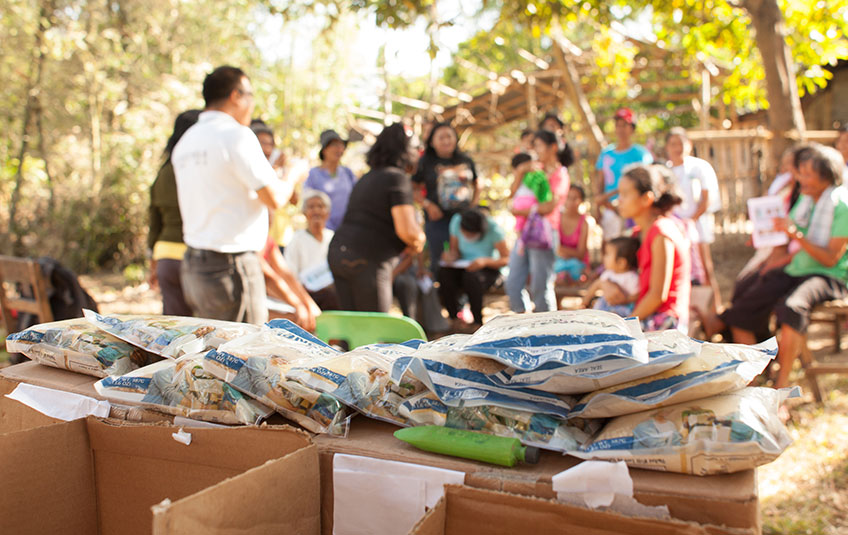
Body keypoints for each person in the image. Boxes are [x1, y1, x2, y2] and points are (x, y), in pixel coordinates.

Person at [706, 145, 848, 388]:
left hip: (828, 277)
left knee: (792, 308)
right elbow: (794, 244)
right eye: (799, 173)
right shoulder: (806, 201)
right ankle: (751, 379)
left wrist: (796, 236)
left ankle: (781, 388)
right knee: (743, 307)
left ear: (825, 177)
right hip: (798, 269)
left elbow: (830, 259)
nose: (799, 178)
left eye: (806, 174)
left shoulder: (841, 206)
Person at [172, 66, 283, 324]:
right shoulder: (236, 136)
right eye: (251, 95)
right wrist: (293, 176)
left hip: (194, 264)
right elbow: (274, 198)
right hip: (231, 266)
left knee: (213, 348)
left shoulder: (186, 141)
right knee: (246, 351)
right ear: (236, 96)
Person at [328, 123, 426, 312]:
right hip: (367, 259)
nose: (419, 152)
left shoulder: (367, 178)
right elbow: (408, 231)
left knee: (352, 330)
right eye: (416, 147)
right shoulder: (397, 178)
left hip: (339, 254)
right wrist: (419, 240)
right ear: (405, 150)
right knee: (373, 330)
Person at [604, 165, 691, 332]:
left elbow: (657, 295)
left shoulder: (662, 234)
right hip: (643, 314)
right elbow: (610, 268)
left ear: (646, 199)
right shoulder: (638, 233)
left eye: (625, 194)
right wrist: (605, 282)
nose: (618, 201)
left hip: (664, 323)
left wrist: (625, 326)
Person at [505, 130, 570, 313]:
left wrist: (520, 211)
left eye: (540, 145)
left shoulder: (560, 174)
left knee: (540, 286)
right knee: (513, 283)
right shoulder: (533, 170)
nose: (536, 149)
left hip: (544, 234)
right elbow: (512, 193)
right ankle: (522, 322)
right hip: (524, 233)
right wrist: (519, 172)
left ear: (553, 147)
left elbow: (549, 206)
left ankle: (549, 329)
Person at [148, 109, 200, 316]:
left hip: (166, 258)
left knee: (176, 326)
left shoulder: (163, 172)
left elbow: (154, 223)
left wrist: (153, 262)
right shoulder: (197, 169)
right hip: (197, 255)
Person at [665, 127, 722, 311]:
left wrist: (691, 220)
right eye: (673, 144)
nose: (677, 148)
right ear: (667, 147)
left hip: (697, 225)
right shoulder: (664, 171)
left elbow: (706, 198)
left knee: (705, 268)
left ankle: (714, 309)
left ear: (689, 145)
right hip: (674, 229)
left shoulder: (699, 167)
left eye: (681, 143)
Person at [412, 122, 478, 276]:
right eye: (441, 137)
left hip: (464, 220)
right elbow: (412, 188)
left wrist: (472, 207)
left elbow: (477, 184)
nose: (446, 141)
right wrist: (428, 205)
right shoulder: (425, 162)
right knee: (441, 260)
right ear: (432, 142)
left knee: (465, 259)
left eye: (449, 136)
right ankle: (441, 296)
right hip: (438, 220)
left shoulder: (465, 160)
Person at [439, 208, 509, 330]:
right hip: (463, 266)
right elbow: (454, 251)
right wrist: (450, 256)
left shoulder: (494, 229)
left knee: (472, 278)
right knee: (444, 274)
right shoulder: (456, 221)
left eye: (471, 235)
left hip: (488, 269)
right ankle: (454, 318)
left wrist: (485, 261)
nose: (467, 236)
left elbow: (506, 259)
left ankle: (477, 322)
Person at [595, 108, 654, 240]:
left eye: (624, 125)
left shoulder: (642, 154)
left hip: (635, 211)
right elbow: (600, 184)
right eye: (618, 125)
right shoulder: (606, 154)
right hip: (610, 210)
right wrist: (599, 208)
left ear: (632, 128)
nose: (621, 129)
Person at [284, 189, 340, 311]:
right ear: (304, 213)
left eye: (320, 206)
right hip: (306, 295)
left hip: (332, 294)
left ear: (328, 213)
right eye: (311, 207)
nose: (316, 211)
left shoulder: (333, 238)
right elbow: (290, 273)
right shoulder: (296, 240)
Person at [251, 119, 300, 252]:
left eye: (270, 144)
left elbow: (294, 200)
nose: (267, 148)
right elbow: (272, 199)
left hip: (282, 236)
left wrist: (285, 174)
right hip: (259, 238)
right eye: (262, 143)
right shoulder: (249, 170)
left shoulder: (281, 171)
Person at [304, 129, 356, 231]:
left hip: (347, 229)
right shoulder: (314, 175)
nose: (339, 149)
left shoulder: (347, 173)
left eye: (341, 145)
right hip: (323, 230)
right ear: (324, 150)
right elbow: (308, 202)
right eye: (334, 145)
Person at [581, 237, 640, 318]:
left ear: (621, 262)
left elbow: (636, 295)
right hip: (606, 305)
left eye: (607, 254)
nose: (604, 258)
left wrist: (626, 300)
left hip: (622, 308)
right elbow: (595, 286)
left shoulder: (631, 278)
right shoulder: (608, 274)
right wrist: (585, 301)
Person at [556, 184, 591, 282]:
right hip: (559, 262)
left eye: (575, 198)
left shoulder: (584, 222)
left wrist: (562, 251)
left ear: (581, 201)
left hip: (576, 264)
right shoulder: (557, 218)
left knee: (574, 266)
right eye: (568, 197)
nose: (571, 201)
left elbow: (581, 254)